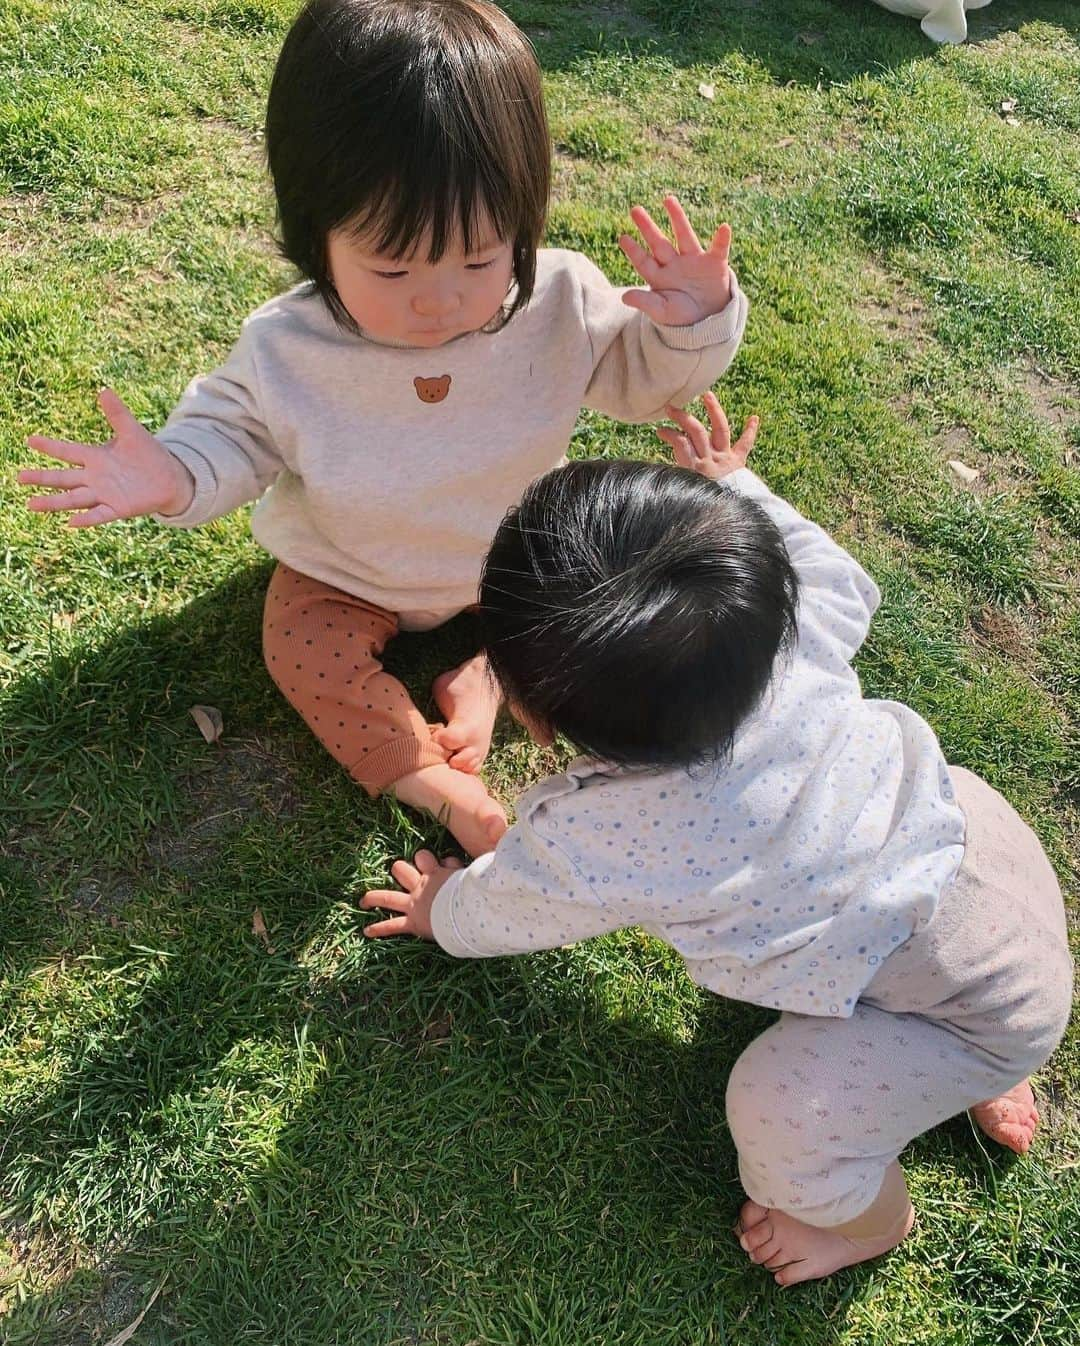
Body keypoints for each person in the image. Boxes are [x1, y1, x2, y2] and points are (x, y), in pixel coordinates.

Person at [360, 396, 1073, 1284]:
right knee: (953, 981)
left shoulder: (607, 835)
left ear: (536, 722)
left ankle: (876, 1214)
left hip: (969, 1007)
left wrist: (442, 912)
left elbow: (513, 904)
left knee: (779, 1114)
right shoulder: (796, 632)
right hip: (989, 860)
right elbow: (833, 572)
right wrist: (738, 486)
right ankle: (961, 1064)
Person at [18, 0, 748, 858]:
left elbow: (637, 381)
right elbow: (235, 438)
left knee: (598, 601)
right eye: (392, 266)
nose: (438, 298)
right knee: (299, 644)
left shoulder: (557, 300)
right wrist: (177, 475)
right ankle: (427, 778)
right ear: (313, 233)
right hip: (344, 571)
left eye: (479, 259)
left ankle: (483, 677)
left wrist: (689, 323)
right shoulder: (287, 347)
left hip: (511, 556)